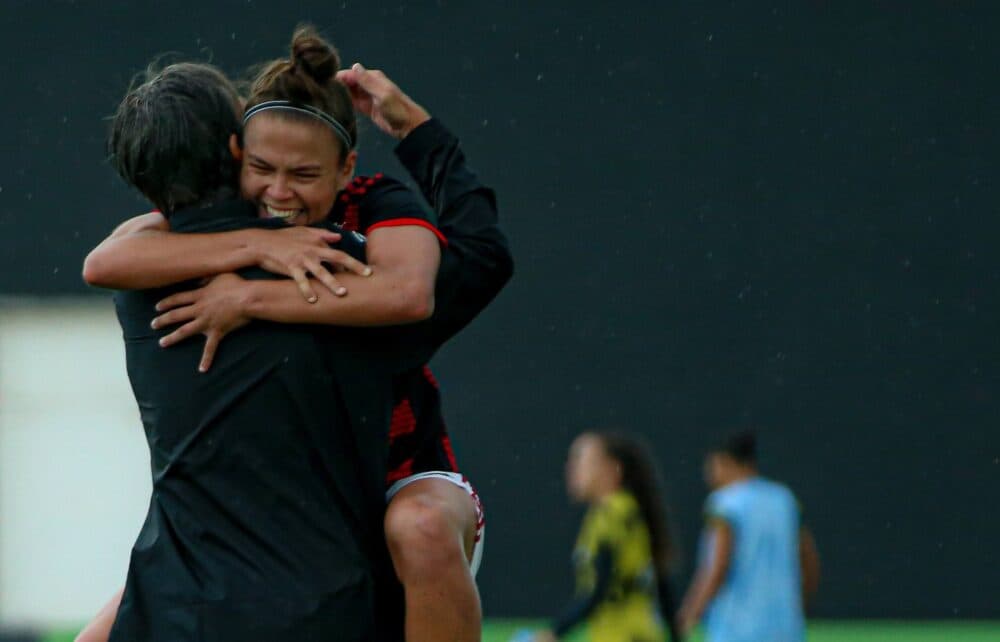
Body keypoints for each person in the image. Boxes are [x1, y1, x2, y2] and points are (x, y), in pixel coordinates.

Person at [80, 27, 511, 642]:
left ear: (346, 171)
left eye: (304, 174)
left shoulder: (371, 236)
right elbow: (103, 261)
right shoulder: (211, 243)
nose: (279, 192)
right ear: (235, 157)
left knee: (415, 530)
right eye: (262, 169)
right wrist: (260, 245)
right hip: (284, 539)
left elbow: (417, 292)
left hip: (401, 479)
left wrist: (252, 295)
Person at [88, 60, 388, 642]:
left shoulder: (137, 277)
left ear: (142, 181)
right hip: (323, 605)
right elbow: (439, 283)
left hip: (177, 607)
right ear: (237, 147)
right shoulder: (335, 257)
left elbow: (105, 258)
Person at [532, 432, 681, 642]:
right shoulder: (629, 510)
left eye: (582, 460)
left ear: (612, 469)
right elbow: (663, 585)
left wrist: (554, 632)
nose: (572, 469)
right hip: (642, 631)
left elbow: (599, 589)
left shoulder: (610, 515)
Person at [677, 431, 820, 642]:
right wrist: (796, 607)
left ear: (724, 462)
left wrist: (690, 613)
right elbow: (809, 559)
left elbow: (718, 567)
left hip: (736, 628)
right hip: (784, 627)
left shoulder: (725, 504)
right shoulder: (783, 499)